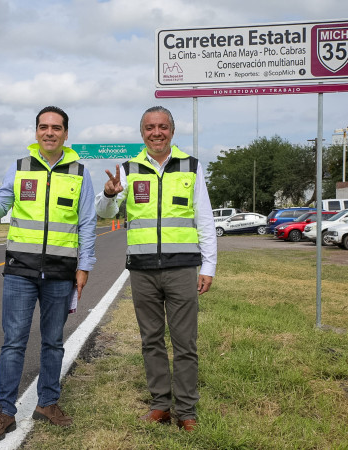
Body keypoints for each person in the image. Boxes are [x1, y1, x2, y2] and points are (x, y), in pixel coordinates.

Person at [0, 106, 97, 444]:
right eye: (43, 127)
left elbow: (87, 223)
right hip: (20, 271)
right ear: (36, 132)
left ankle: (48, 403)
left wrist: (84, 266)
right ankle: (4, 411)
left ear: (66, 134)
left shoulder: (80, 173)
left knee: (53, 342)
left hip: (61, 272)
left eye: (56, 128)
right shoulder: (18, 168)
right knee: (13, 341)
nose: (49, 133)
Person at [95, 106, 216, 431]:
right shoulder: (129, 168)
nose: (156, 132)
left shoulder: (191, 166)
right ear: (142, 132)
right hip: (143, 269)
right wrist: (108, 195)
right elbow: (106, 212)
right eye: (150, 127)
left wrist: (209, 265)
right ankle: (161, 405)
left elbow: (204, 218)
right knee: (151, 340)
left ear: (172, 131)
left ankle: (186, 411)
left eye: (162, 127)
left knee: (185, 343)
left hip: (182, 268)